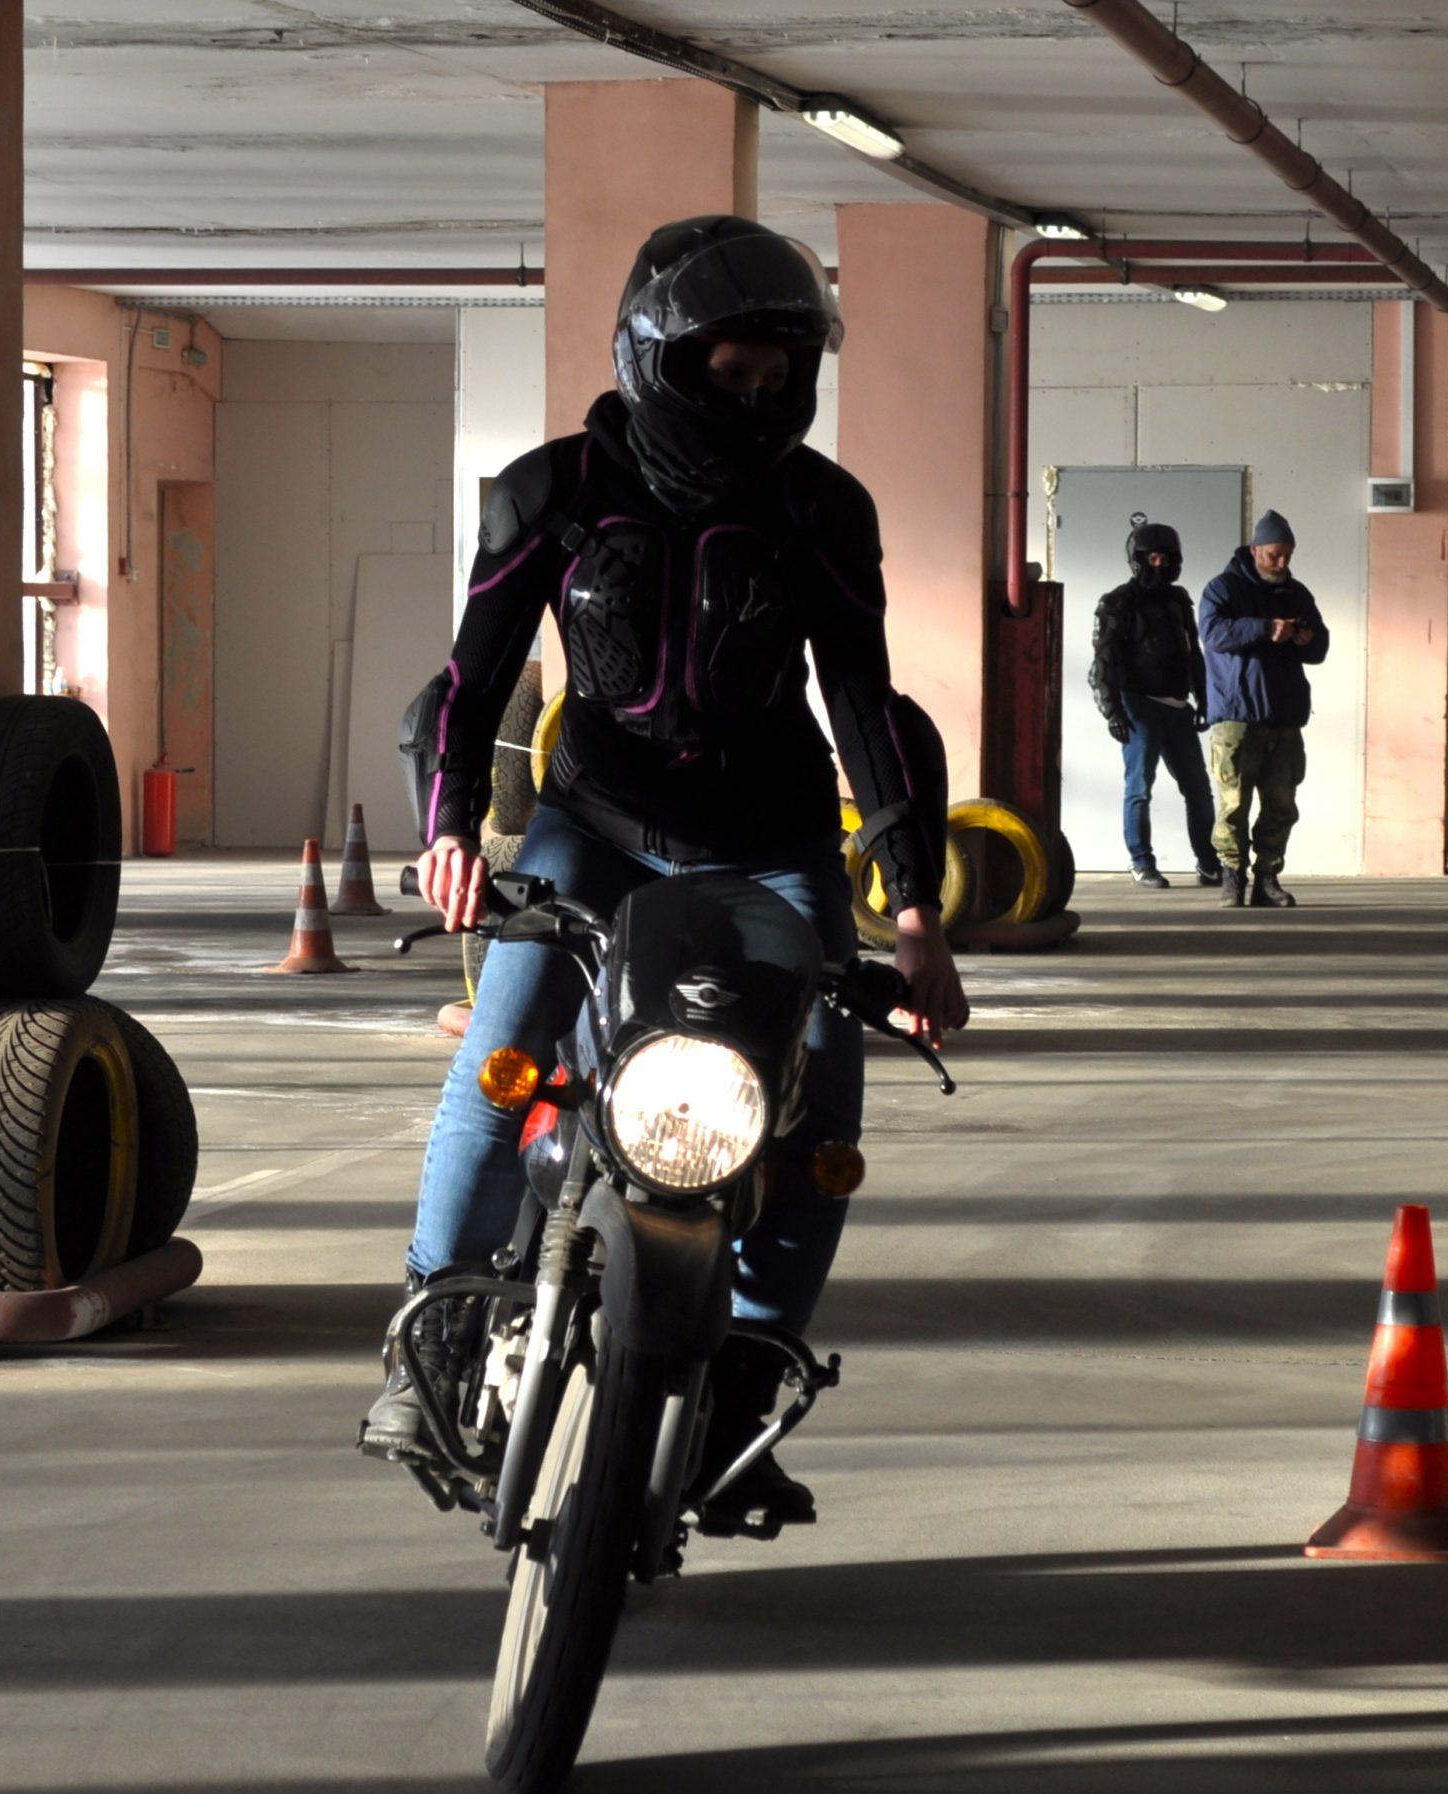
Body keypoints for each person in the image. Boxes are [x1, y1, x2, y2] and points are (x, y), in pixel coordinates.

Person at [364, 216, 970, 1533]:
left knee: (821, 1108)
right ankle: (431, 1337)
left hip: (775, 838)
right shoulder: (554, 492)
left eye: (779, 375)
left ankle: (744, 1382)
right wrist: (451, 827)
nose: (757, 397)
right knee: (504, 1054)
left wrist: (915, 911)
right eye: (732, 371)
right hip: (593, 823)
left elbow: (865, 707)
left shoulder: (820, 510)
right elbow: (472, 678)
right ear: (659, 359)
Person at [1199, 509, 1328, 908]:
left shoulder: (1297, 593)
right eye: (1274, 555)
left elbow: (1320, 648)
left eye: (1288, 555)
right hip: (1237, 717)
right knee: (1233, 805)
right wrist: (1264, 627)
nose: (1282, 563)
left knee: (1281, 806)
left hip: (1285, 718)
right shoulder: (1223, 589)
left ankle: (1267, 878)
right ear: (1254, 550)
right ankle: (1232, 877)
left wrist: (1306, 639)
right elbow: (1212, 633)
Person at [1090, 513, 1223, 890]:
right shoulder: (1117, 602)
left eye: (1165, 557)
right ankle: (1141, 862)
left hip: (1178, 706)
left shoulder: (1179, 600)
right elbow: (1103, 660)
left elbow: (1192, 651)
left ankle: (1209, 863)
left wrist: (1204, 698)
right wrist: (1113, 711)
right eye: (1152, 557)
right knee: (1139, 788)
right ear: (1138, 559)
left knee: (1198, 788)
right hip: (1138, 704)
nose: (1159, 565)